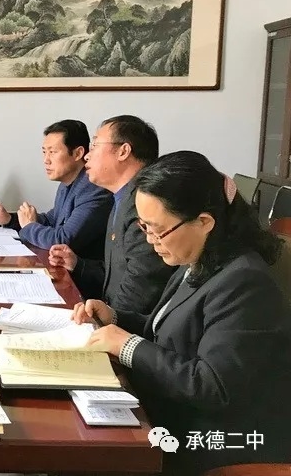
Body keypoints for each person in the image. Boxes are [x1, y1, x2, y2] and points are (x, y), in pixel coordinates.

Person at [72, 151, 291, 475]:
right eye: (144, 227)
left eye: (158, 230)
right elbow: (169, 330)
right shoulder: (199, 259)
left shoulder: (244, 281)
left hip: (216, 440)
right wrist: (114, 318)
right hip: (174, 412)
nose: (150, 241)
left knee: (86, 454)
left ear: (204, 222)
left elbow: (213, 386)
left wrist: (128, 346)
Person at [48, 115, 175, 315]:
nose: (87, 156)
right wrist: (78, 264)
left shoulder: (145, 206)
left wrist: (105, 320)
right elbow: (117, 273)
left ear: (123, 151)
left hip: (129, 326)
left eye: (95, 146)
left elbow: (141, 290)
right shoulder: (121, 198)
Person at [0, 119, 112, 259]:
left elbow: (62, 240)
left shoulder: (93, 189)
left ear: (78, 153)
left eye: (53, 152)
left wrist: (29, 226)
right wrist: (8, 219)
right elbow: (51, 221)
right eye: (44, 152)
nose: (46, 160)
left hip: (81, 271)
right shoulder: (67, 184)